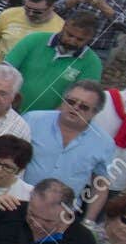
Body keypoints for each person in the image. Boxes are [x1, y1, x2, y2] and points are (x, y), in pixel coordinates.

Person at [24, 83, 116, 218]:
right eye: (71, 102)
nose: (75, 108)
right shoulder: (32, 120)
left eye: (84, 107)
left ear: (95, 112)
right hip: (20, 201)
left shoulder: (104, 142)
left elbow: (100, 185)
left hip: (63, 215)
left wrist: (89, 221)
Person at [4, 14, 103, 113]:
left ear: (90, 39)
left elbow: (82, 99)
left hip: (45, 120)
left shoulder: (93, 63)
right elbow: (4, 70)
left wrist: (49, 118)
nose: (72, 41)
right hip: (6, 107)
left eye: (80, 39)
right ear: (64, 27)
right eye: (69, 35)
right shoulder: (34, 40)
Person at [0, 0, 62, 68]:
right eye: (27, 8)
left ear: (52, 7)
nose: (30, 13)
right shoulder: (10, 14)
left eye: (37, 11)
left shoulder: (59, 29)